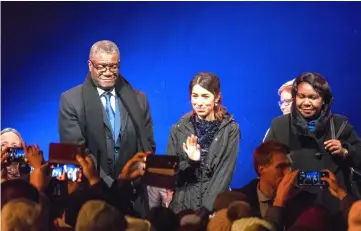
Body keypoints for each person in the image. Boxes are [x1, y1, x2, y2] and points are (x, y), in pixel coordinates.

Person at [58, 40, 156, 217]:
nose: (108, 72)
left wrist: (128, 182)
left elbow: (148, 146)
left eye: (113, 66)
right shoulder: (71, 100)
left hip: (133, 197)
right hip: (92, 198)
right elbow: (77, 152)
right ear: (90, 65)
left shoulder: (139, 100)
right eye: (102, 67)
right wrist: (112, 185)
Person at [264, 72, 361, 214]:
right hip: (294, 206)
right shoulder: (279, 126)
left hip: (334, 207)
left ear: (324, 100)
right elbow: (264, 162)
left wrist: (345, 151)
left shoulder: (339, 125)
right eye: (301, 97)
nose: (306, 103)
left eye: (313, 97)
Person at [166, 72, 241, 214]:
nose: (199, 103)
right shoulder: (179, 128)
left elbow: (223, 174)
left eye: (205, 96)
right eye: (195, 96)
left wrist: (205, 211)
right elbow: (172, 176)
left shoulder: (230, 129)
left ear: (217, 97)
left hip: (211, 211)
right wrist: (192, 162)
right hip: (182, 209)